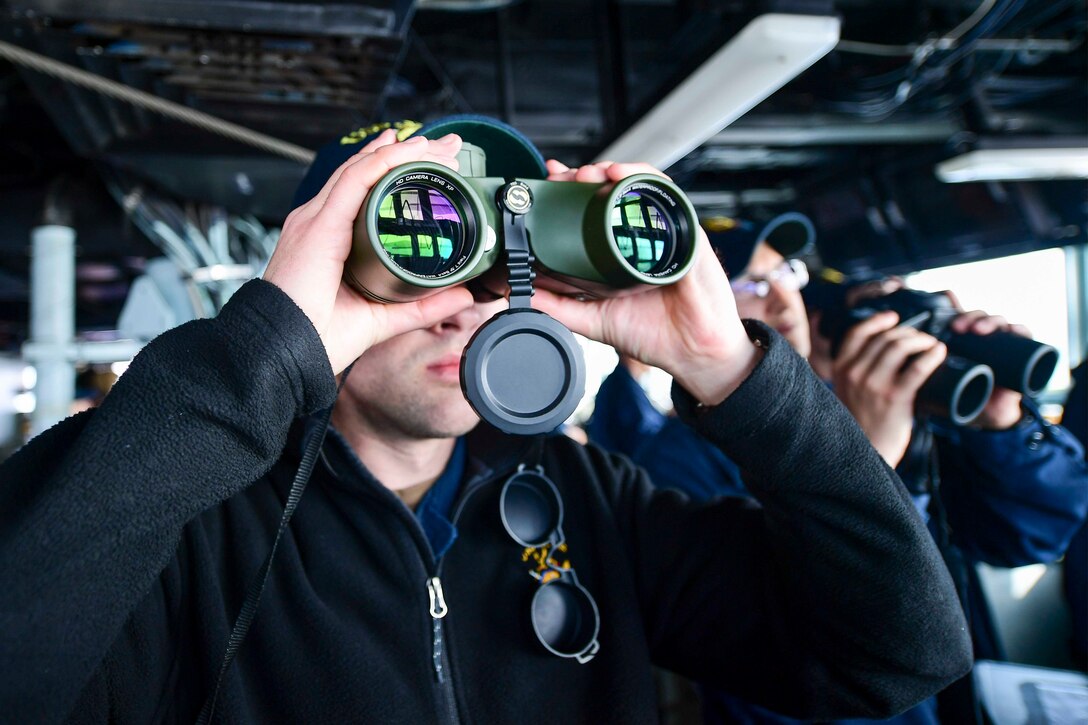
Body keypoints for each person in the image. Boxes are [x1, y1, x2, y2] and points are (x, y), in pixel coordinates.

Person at [0, 119, 973, 723]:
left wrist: (731, 371)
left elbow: (899, 653)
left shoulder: (588, 500)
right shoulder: (189, 524)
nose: (466, 299)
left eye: (494, 259)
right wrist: (258, 353)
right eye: (421, 246)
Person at [591, 231, 1088, 724]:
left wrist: (1004, 426)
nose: (787, 298)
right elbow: (782, 667)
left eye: (787, 274)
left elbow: (1034, 537)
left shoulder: (908, 402)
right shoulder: (680, 458)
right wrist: (863, 464)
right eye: (751, 285)